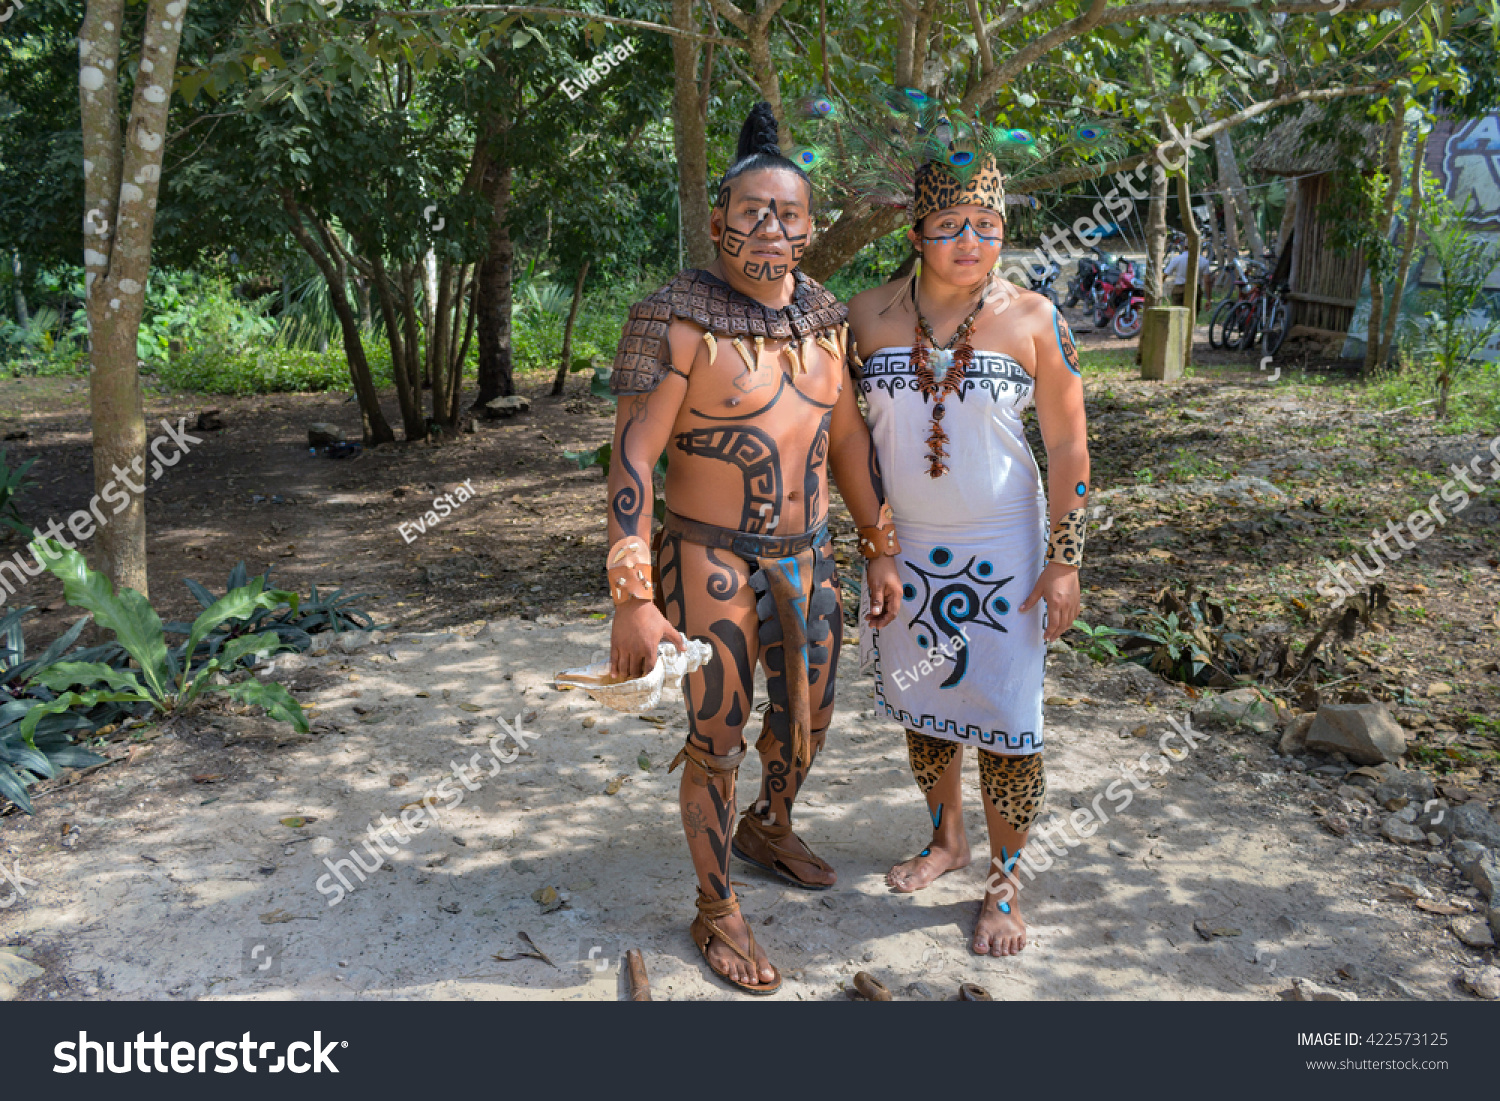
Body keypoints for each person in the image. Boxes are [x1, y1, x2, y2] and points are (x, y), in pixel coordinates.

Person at [603, 103, 902, 994]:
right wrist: (631, 591)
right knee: (716, 733)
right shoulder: (675, 319)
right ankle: (716, 905)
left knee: (808, 720)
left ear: (812, 227)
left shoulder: (825, 323)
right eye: (752, 211)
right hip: (710, 558)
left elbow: (846, 442)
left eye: (789, 214)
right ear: (719, 218)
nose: (769, 228)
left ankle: (769, 824)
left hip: (809, 558)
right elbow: (633, 455)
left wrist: (879, 546)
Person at [846, 145, 1091, 958]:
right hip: (907, 553)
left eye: (986, 225)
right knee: (929, 706)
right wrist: (875, 544)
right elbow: (848, 445)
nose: (970, 241)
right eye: (950, 224)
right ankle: (945, 837)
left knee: (1010, 723)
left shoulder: (1033, 318)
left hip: (1009, 555)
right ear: (916, 232)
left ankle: (1004, 878)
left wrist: (1065, 560)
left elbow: (1067, 448)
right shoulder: (867, 315)